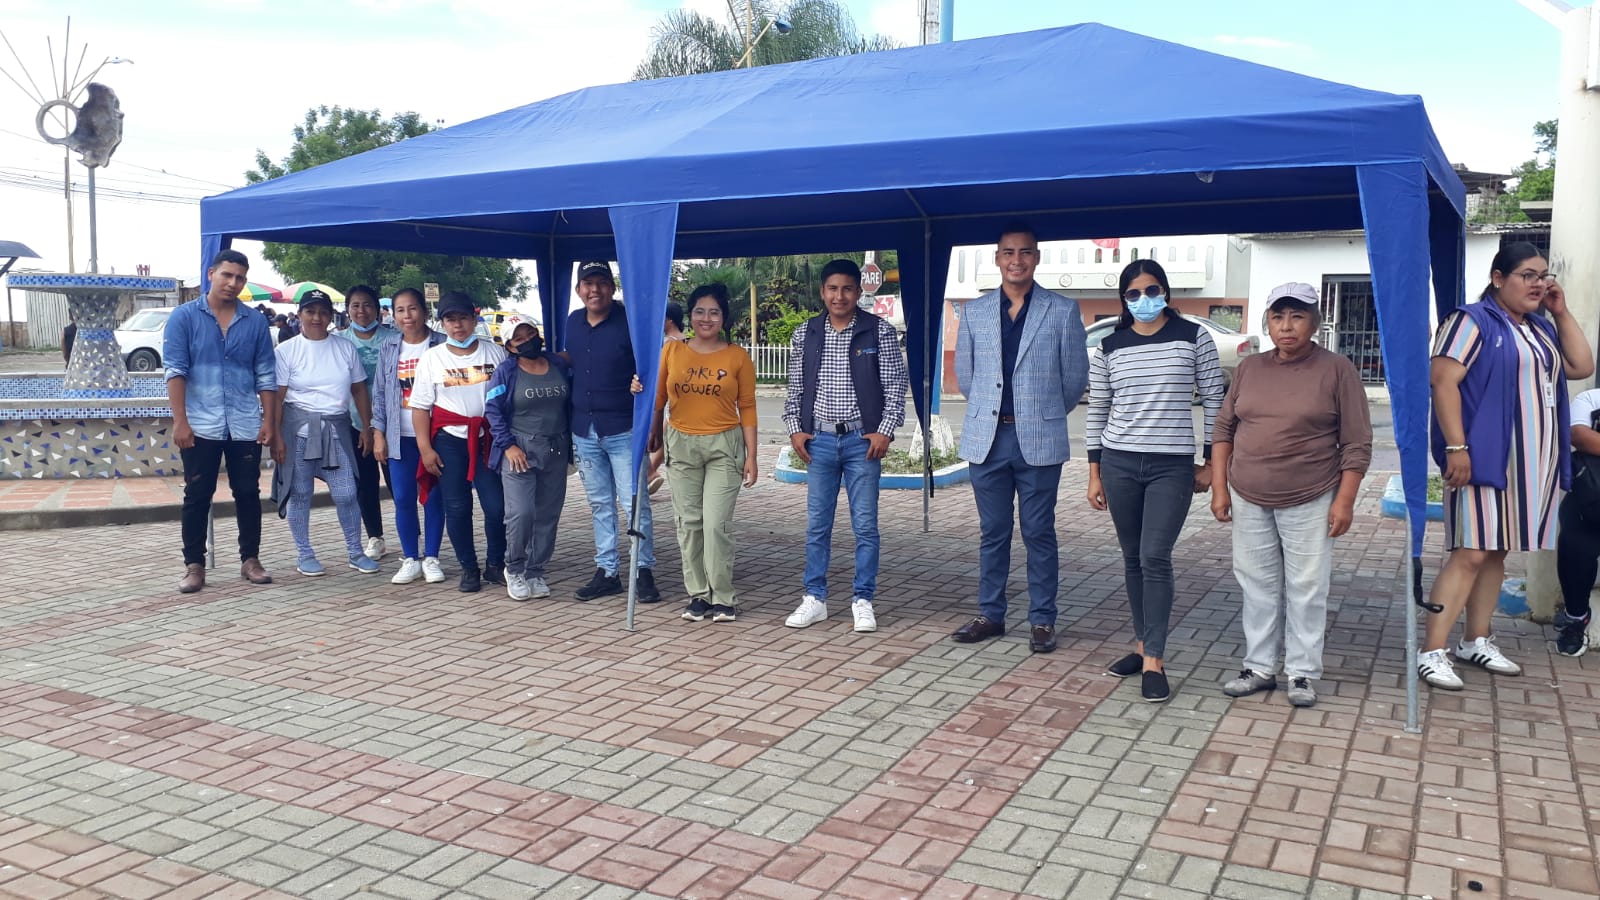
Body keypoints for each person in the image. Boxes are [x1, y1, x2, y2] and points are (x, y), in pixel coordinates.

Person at [1423, 241, 1594, 689]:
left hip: (1530, 464)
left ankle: (1475, 640)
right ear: (1498, 278)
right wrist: (1456, 448)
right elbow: (1443, 381)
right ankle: (1432, 651)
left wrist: (1560, 312)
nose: (1538, 284)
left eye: (1544, 275)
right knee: (1471, 551)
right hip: (1484, 457)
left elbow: (1581, 365)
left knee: (1497, 550)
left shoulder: (1538, 328)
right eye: (1527, 275)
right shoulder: (1470, 321)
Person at [1211, 283, 1371, 708]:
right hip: (1248, 493)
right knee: (1257, 584)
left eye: (1297, 316)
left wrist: (1345, 500)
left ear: (1315, 322)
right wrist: (1220, 488)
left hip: (1311, 494)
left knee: (1307, 587)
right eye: (1278, 317)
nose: (1286, 326)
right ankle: (1259, 667)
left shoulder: (1337, 370)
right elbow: (1224, 428)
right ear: (1267, 322)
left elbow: (1356, 442)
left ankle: (1301, 672)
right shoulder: (1249, 368)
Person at [1084, 259, 1225, 703]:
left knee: (1155, 557)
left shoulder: (1193, 337)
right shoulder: (1110, 346)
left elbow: (1215, 402)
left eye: (1151, 290)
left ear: (1165, 291)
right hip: (1119, 463)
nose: (1143, 300)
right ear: (1123, 300)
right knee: (1132, 558)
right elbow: (1097, 409)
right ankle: (1143, 644)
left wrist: (1211, 464)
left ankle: (1154, 661)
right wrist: (1094, 473)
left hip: (1171, 466)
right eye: (1133, 293)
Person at [951, 222, 1089, 653]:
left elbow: (1074, 378)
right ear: (997, 259)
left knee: (1038, 530)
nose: (1017, 260)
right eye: (1008, 252)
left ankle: (1042, 619)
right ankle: (991, 614)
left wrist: (1041, 413)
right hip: (988, 438)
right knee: (992, 531)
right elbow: (967, 376)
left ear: (1036, 258)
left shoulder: (1061, 310)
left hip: (1039, 438)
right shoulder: (975, 312)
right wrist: (994, 412)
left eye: (1025, 252)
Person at [781, 258, 908, 634]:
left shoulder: (878, 331)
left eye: (847, 289)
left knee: (865, 526)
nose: (840, 296)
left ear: (858, 291)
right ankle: (814, 598)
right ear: (823, 292)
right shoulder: (806, 333)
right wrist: (795, 430)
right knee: (817, 526)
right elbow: (795, 388)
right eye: (833, 289)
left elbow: (895, 387)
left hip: (861, 443)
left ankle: (863, 600)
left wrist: (884, 431)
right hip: (818, 441)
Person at [163, 249, 278, 593]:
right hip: (200, 423)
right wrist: (181, 422)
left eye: (240, 278)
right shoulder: (184, 317)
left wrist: (269, 421)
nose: (233, 283)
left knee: (248, 492)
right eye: (227, 275)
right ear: (211, 274)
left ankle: (250, 560)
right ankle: (194, 565)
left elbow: (266, 375)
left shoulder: (254, 322)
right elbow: (175, 371)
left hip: (244, 422)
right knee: (198, 493)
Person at [650, 284, 758, 622]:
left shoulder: (737, 356)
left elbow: (748, 407)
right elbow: (657, 398)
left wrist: (752, 456)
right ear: (690, 315)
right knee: (689, 523)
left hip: (724, 446)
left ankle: (723, 597)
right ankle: (698, 595)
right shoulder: (672, 351)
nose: (706, 318)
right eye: (699, 311)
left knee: (716, 524)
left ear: (723, 317)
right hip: (681, 443)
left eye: (714, 312)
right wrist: (654, 432)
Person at [564, 261, 661, 603]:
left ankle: (642, 569)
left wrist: (641, 386)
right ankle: (607, 571)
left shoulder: (630, 322)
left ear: (613, 287)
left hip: (624, 429)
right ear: (578, 290)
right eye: (588, 283)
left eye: (602, 282)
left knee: (635, 503)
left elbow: (652, 368)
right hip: (584, 430)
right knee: (600, 504)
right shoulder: (573, 322)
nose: (595, 290)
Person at [269, 290, 380, 576]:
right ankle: (304, 554)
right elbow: (277, 397)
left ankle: (355, 551)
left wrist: (366, 427)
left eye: (323, 312)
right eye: (310, 311)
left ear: (331, 316)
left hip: (336, 429)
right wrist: (275, 436)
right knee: (300, 493)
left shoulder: (345, 348)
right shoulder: (286, 351)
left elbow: (359, 389)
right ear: (300, 315)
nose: (316, 318)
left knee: (347, 492)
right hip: (298, 431)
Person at [409, 291, 510, 593]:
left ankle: (496, 564)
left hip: (487, 439)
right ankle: (469, 567)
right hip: (449, 441)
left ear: (474, 319)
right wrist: (426, 449)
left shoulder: (495, 353)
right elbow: (420, 407)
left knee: (496, 507)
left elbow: (508, 399)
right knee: (456, 507)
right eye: (450, 319)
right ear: (442, 323)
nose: (457, 325)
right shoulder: (432, 358)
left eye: (463, 318)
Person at [486, 323, 572, 601]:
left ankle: (535, 571)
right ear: (510, 346)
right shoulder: (505, 372)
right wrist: (508, 446)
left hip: (555, 447)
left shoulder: (557, 363)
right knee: (521, 513)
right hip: (519, 450)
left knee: (548, 514)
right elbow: (492, 410)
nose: (527, 341)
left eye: (530, 334)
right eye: (518, 339)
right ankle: (514, 568)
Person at [371, 288, 448, 586]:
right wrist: (378, 434)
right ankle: (410, 558)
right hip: (399, 435)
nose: (407, 316)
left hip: (435, 435)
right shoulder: (389, 347)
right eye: (400, 310)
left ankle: (432, 557)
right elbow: (379, 394)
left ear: (424, 311)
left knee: (433, 496)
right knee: (403, 497)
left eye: (413, 308)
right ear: (393, 315)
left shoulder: (441, 343)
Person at [338, 285, 399, 562]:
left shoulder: (394, 338)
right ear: (347, 309)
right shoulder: (340, 342)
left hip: (393, 422)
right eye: (355, 305)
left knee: (398, 483)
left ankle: (411, 536)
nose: (361, 311)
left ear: (378, 309)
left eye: (367, 305)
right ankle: (375, 537)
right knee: (365, 483)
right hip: (355, 422)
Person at [1555, 387, 1600, 657]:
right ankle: (1576, 617)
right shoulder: (1592, 399)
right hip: (1592, 502)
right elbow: (1579, 435)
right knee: (1574, 538)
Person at [647, 301, 691, 495]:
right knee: (665, 435)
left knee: (656, 434)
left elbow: (660, 372)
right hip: (685, 396)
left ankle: (649, 472)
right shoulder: (688, 341)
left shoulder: (668, 343)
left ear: (669, 320)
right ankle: (651, 473)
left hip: (666, 394)